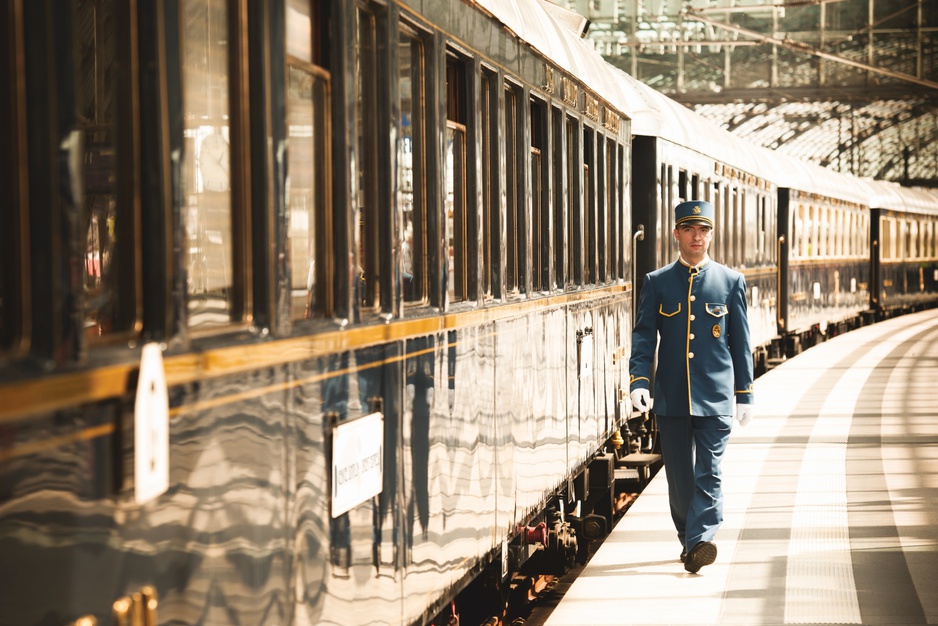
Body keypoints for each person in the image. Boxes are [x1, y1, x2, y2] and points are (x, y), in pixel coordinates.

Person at [628, 199, 754, 574]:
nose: (697, 236)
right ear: (676, 234)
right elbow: (644, 337)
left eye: (703, 230)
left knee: (709, 471)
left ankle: (701, 540)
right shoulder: (657, 282)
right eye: (689, 229)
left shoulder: (731, 282)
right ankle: (690, 539)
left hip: (715, 399)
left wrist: (744, 393)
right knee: (680, 479)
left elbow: (740, 342)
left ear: (711, 235)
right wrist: (639, 380)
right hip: (671, 397)